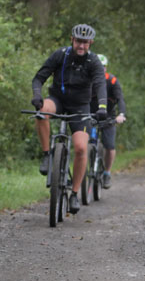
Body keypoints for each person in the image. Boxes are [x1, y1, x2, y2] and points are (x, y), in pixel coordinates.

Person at [31, 24, 107, 214]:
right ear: (72, 39)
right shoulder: (60, 55)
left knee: (81, 148)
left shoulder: (93, 61)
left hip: (80, 106)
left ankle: (74, 193)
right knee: (41, 112)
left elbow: (100, 85)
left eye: (85, 42)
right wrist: (37, 95)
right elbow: (39, 78)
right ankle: (47, 155)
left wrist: (102, 107)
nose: (81, 45)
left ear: (91, 43)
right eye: (78, 41)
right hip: (57, 100)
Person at [89, 54, 127, 188]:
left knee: (109, 146)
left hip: (109, 117)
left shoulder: (112, 81)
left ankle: (107, 173)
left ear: (106, 68)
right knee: (85, 142)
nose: (101, 69)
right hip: (90, 115)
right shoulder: (88, 80)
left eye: (103, 67)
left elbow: (120, 99)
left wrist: (121, 114)